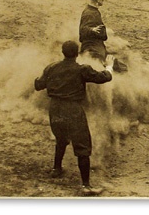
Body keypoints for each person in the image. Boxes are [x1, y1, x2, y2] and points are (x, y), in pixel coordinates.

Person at [34, 40, 114, 196]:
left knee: (61, 139)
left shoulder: (51, 67)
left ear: (62, 52)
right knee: (82, 147)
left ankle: (56, 169)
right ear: (77, 54)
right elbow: (104, 77)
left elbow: (38, 85)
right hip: (72, 110)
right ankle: (86, 186)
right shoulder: (82, 70)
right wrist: (109, 66)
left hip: (55, 109)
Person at [79, 0, 127, 71]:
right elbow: (82, 30)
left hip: (97, 46)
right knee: (118, 68)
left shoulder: (92, 10)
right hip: (93, 49)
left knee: (118, 66)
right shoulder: (90, 13)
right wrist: (91, 30)